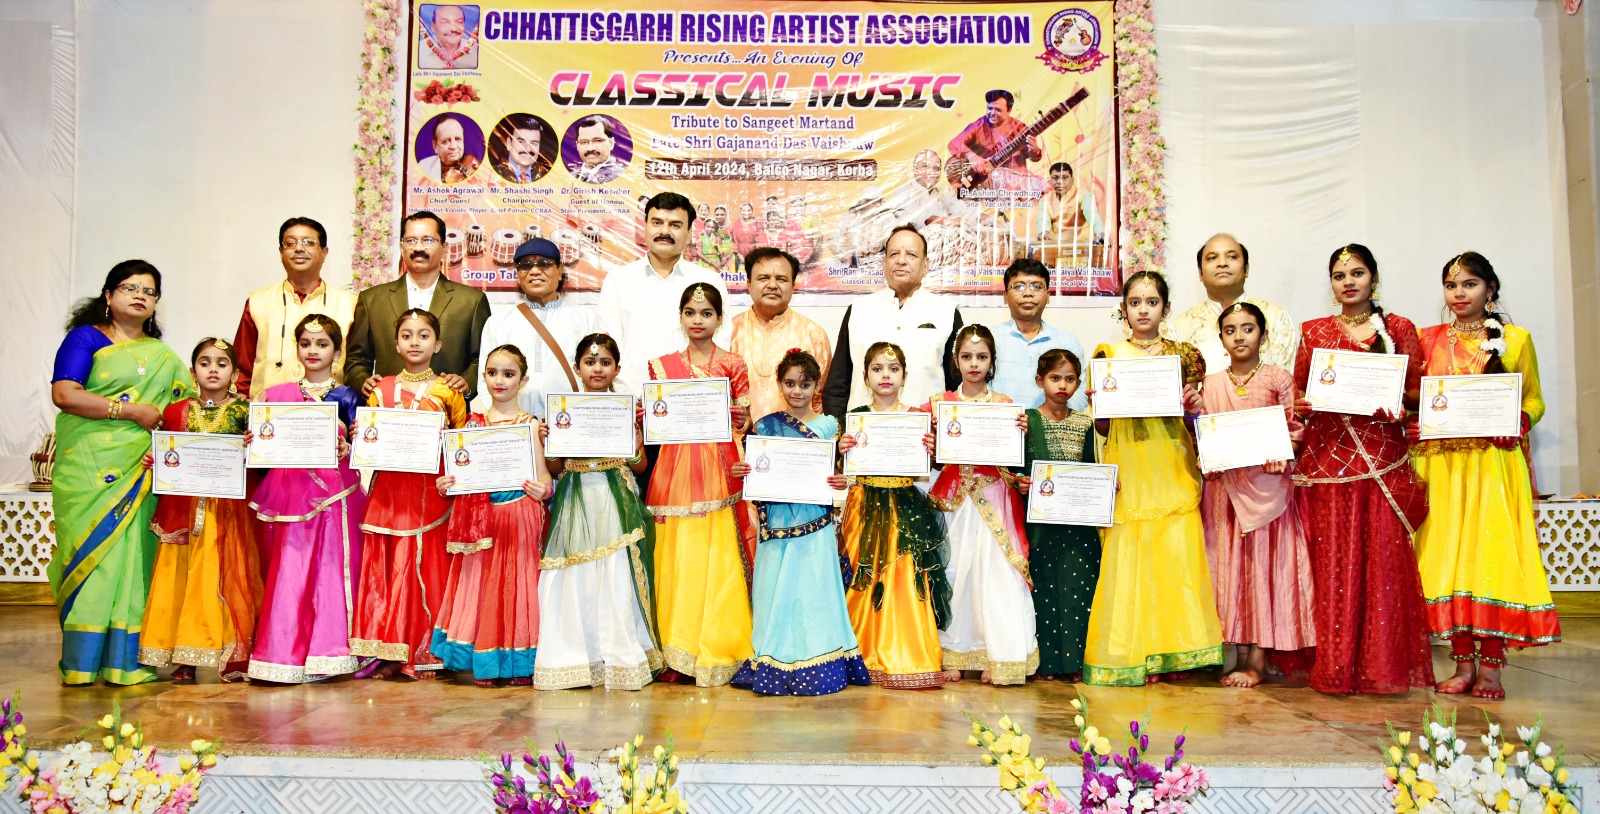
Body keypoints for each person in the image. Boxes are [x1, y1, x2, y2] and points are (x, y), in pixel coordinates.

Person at [1413, 252, 1559, 699]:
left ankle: (1492, 669)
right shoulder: (1426, 339)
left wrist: (1520, 420)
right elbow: (1415, 398)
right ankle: (1462, 665)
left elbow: (1533, 399)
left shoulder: (1515, 339)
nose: (1459, 293)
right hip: (1443, 467)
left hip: (1494, 466)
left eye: (1470, 284)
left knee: (1490, 559)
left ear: (1490, 289)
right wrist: (1411, 420)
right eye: (1451, 285)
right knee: (1449, 560)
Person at [1292, 244, 1432, 694]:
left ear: (1373, 278)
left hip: (1381, 462)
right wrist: (1304, 405)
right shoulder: (1313, 331)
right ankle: (1334, 666)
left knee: (1382, 566)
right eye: (1339, 275)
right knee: (1333, 564)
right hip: (1329, 463)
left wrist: (1400, 407)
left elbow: (1417, 392)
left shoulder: (1399, 328)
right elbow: (1299, 391)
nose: (1348, 282)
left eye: (1357, 273)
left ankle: (1379, 668)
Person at [48, 261, 194, 685]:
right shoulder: (86, 338)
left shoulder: (163, 356)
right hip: (90, 468)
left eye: (149, 291)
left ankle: (127, 661)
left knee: (136, 558)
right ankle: (82, 664)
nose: (140, 296)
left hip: (142, 468)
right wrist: (129, 411)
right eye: (130, 288)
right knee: (95, 560)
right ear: (108, 295)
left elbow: (183, 408)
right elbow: (65, 394)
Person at [1082, 271, 1223, 686]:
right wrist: (1100, 407)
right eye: (1135, 302)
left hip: (1172, 465)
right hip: (1130, 466)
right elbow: (1104, 429)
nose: (1143, 310)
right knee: (1131, 559)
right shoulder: (1108, 355)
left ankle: (1173, 654)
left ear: (1166, 307)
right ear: (1123, 309)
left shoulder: (1185, 355)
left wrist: (1194, 407)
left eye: (1152, 302)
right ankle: (1133, 653)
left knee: (1174, 556)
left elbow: (1192, 420)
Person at [731, 350, 871, 696]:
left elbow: (836, 473)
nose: (797, 391)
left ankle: (820, 658)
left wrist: (841, 480)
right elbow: (756, 470)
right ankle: (771, 657)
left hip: (815, 522)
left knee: (813, 587)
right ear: (779, 385)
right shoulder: (765, 426)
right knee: (773, 587)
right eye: (790, 383)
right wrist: (742, 471)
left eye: (805, 384)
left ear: (817, 387)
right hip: (775, 522)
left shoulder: (829, 427)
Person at [535, 334, 661, 690]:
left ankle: (619, 658)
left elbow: (639, 467)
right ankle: (576, 658)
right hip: (574, 499)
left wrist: (635, 443)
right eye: (590, 362)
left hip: (614, 498)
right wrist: (547, 441)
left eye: (605, 362)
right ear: (577, 368)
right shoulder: (563, 410)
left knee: (615, 571)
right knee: (575, 573)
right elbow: (556, 468)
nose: (597, 368)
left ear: (617, 369)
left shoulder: (626, 410)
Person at [1199, 303, 1315, 688]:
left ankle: (1259, 658)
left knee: (1263, 569)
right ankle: (1239, 654)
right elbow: (1205, 431)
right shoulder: (1211, 383)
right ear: (1221, 339)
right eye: (1230, 330)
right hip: (1225, 490)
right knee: (1230, 568)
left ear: (1262, 335)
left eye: (1247, 328)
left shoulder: (1278, 378)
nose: (1239, 337)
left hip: (1267, 489)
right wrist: (1208, 457)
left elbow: (1294, 430)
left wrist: (1283, 452)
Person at [350, 308, 469, 678]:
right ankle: (390, 651)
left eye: (423, 335)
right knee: (391, 567)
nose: (415, 342)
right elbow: (370, 440)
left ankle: (428, 650)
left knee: (428, 567)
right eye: (407, 335)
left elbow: (460, 444)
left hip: (432, 494)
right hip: (390, 492)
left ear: (438, 344)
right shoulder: (379, 390)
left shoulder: (449, 391)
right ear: (395, 343)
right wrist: (360, 438)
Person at [248, 314, 367, 684]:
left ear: (337, 352)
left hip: (336, 495)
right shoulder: (275, 396)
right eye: (305, 343)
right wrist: (254, 442)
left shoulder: (348, 397)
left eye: (322, 344)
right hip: (290, 494)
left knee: (331, 570)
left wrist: (349, 448)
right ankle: (282, 656)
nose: (313, 350)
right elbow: (263, 446)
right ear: (296, 349)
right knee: (290, 568)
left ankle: (329, 654)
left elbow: (364, 446)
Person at [647, 284, 754, 686]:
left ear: (719, 319)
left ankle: (716, 643)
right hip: (675, 472)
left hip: (719, 470)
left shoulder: (733, 364)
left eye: (706, 313)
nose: (698, 320)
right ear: (680, 317)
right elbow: (658, 421)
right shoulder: (661, 368)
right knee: (679, 552)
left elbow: (744, 420)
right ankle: (677, 647)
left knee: (717, 553)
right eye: (690, 313)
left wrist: (739, 419)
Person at [140, 338, 262, 682]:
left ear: (235, 374)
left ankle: (232, 652)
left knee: (221, 578)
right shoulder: (176, 411)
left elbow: (260, 463)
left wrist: (254, 449)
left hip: (229, 514)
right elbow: (170, 454)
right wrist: (155, 460)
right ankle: (184, 657)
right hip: (184, 510)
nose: (213, 370)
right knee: (182, 579)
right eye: (205, 363)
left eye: (222, 364)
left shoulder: (246, 412)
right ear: (193, 372)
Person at [920, 325, 1035, 685]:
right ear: (955, 361)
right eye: (967, 356)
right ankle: (951, 653)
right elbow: (926, 461)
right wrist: (929, 443)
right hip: (954, 503)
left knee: (995, 573)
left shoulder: (1005, 406)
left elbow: (1013, 461)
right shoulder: (937, 405)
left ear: (992, 361)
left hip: (994, 498)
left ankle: (998, 655)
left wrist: (1021, 433)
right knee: (954, 572)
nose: (974, 364)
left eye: (981, 357)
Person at [432, 345, 552, 687]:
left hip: (520, 515)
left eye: (509, 374)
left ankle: (519, 663)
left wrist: (544, 491)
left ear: (523, 380)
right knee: (483, 588)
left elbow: (544, 477)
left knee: (518, 587)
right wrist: (446, 485)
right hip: (482, 520)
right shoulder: (471, 425)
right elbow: (460, 477)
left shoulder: (530, 425)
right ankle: (485, 658)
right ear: (483, 376)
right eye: (492, 373)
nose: (500, 381)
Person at [836, 342, 951, 689]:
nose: (885, 375)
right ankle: (861, 654)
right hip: (864, 504)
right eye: (877, 369)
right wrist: (842, 450)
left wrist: (933, 451)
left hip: (904, 506)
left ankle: (907, 654)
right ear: (866, 376)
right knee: (862, 575)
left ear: (904, 376)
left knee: (904, 577)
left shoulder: (916, 417)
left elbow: (932, 467)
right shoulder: (856, 416)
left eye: (893, 369)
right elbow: (842, 467)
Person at [346, 210, 490, 402]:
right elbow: (356, 359)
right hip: (388, 411)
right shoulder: (372, 300)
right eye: (411, 240)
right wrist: (364, 383)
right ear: (402, 247)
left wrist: (467, 384)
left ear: (444, 248)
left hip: (447, 411)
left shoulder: (471, 301)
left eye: (428, 240)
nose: (418, 247)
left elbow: (483, 359)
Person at [1017, 349, 1099, 681]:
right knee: (1045, 590)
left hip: (1078, 524)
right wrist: (1020, 482)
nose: (1062, 385)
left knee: (1078, 590)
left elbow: (1093, 467)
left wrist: (1105, 486)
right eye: (1054, 378)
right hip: (1040, 524)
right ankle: (1048, 663)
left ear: (1078, 383)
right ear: (1040, 381)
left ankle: (1076, 662)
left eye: (1069, 379)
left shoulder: (1085, 423)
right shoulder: (1026, 421)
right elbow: (1015, 468)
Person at [823, 224, 963, 419]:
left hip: (924, 432)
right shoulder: (858, 309)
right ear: (884, 263)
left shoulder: (946, 312)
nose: (901, 261)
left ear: (926, 265)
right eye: (894, 254)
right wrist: (840, 431)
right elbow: (837, 385)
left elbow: (959, 386)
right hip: (863, 432)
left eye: (911, 254)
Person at [597, 192, 729, 395]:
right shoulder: (618, 280)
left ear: (689, 232)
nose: (664, 231)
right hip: (634, 402)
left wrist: (694, 394)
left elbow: (720, 342)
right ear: (645, 226)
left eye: (675, 225)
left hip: (694, 400)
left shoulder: (710, 281)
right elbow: (610, 346)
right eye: (657, 222)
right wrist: (639, 394)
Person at [232, 217, 358, 398]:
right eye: (290, 243)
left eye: (309, 242)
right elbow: (242, 365)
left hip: (328, 409)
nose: (299, 248)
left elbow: (356, 366)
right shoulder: (258, 301)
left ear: (324, 252)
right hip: (268, 408)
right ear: (281, 251)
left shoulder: (349, 305)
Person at [475, 237, 599, 418]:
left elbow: (598, 376)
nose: (534, 271)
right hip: (518, 424)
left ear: (560, 271)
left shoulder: (585, 319)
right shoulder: (498, 323)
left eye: (544, 264)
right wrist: (506, 420)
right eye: (525, 265)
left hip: (571, 422)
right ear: (518, 275)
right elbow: (485, 381)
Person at [1168, 234, 1297, 375]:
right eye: (1212, 258)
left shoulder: (1274, 316)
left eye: (1232, 256)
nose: (1222, 263)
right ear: (1200, 273)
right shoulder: (1179, 326)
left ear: (1246, 269)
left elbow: (1287, 380)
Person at [730, 247, 833, 420]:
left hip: (797, 435)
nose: (772, 285)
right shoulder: (728, 331)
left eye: (781, 279)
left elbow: (822, 400)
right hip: (738, 437)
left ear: (793, 286)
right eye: (763, 278)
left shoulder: (813, 334)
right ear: (748, 283)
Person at [991, 258, 1088, 411]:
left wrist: (1046, 422)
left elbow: (1080, 393)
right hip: (1003, 424)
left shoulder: (1068, 342)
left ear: (1048, 296)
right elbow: (977, 389)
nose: (1028, 293)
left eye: (1037, 286)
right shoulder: (990, 339)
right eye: (1019, 286)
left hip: (1054, 425)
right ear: (1005, 296)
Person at [946, 89, 1043, 191]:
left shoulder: (1019, 127)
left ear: (1009, 110)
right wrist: (972, 157)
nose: (992, 113)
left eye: (998, 110)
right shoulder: (978, 125)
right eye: (989, 108)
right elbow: (954, 143)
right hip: (988, 187)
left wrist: (1034, 150)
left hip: (1017, 187)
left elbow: (1034, 157)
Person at [1032, 161, 1104, 246]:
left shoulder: (1084, 195)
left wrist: (1100, 233)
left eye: (1064, 177)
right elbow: (1042, 219)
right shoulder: (1046, 200)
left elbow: (1093, 216)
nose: (1059, 182)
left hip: (1081, 244)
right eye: (1055, 178)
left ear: (1072, 180)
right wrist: (1043, 233)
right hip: (1056, 245)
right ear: (1051, 180)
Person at [490, 114, 552, 184]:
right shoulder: (492, 175)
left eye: (534, 143)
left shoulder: (548, 177)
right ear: (508, 143)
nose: (528, 149)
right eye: (521, 142)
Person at [418, 115, 480, 184]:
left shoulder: (474, 165)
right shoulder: (424, 166)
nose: (453, 146)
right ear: (435, 146)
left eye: (457, 139)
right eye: (445, 141)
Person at [416, 4, 478, 69]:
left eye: (459, 22)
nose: (453, 29)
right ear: (433, 26)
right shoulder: (418, 51)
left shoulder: (476, 50)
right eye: (445, 22)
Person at [569, 116, 624, 184]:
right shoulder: (567, 178)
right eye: (583, 142)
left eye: (597, 141)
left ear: (611, 143)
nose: (590, 148)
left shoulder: (623, 178)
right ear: (577, 145)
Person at [696, 204, 738, 274]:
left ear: (726, 215)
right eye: (717, 215)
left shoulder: (731, 227)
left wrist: (728, 256)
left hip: (730, 255)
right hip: (716, 257)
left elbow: (736, 242)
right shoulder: (712, 227)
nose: (719, 216)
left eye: (722, 214)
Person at [729, 202, 763, 266]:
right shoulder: (737, 223)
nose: (746, 212)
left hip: (753, 252)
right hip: (740, 252)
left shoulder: (757, 223)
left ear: (752, 211)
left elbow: (760, 241)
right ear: (740, 211)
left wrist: (755, 254)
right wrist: (738, 254)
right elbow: (735, 241)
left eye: (749, 210)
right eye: (744, 210)